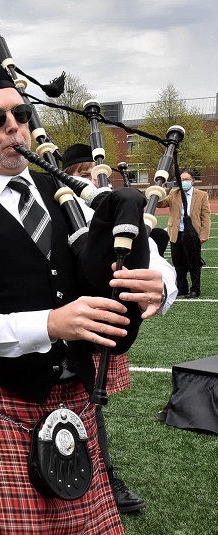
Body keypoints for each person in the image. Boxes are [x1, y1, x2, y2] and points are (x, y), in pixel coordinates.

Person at [0, 62, 175, 535]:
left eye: (21, 114)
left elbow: (141, 247)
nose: (14, 126)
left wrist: (163, 286)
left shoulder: (64, 191)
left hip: (71, 399)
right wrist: (50, 324)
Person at [62, 142, 177, 513]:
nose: (89, 177)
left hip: (101, 322)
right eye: (79, 172)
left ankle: (106, 476)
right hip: (49, 326)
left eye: (90, 170)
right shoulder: (49, 201)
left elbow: (157, 262)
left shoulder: (112, 204)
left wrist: (160, 284)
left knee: (89, 404)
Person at [157, 169, 211, 298]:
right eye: (181, 179)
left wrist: (204, 235)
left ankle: (195, 289)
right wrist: (161, 191)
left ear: (192, 180)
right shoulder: (174, 193)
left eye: (186, 179)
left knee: (193, 263)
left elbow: (206, 216)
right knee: (178, 263)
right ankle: (182, 288)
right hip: (176, 233)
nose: (184, 182)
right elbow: (160, 204)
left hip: (192, 234)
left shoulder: (202, 195)